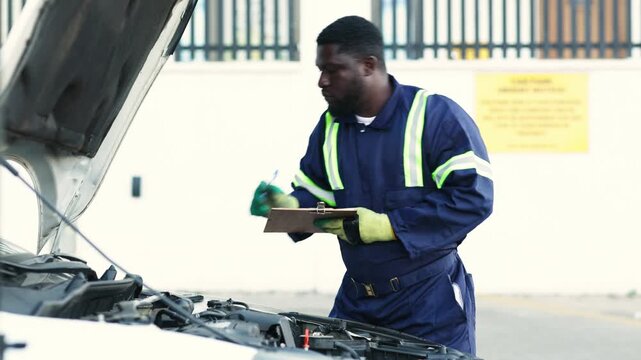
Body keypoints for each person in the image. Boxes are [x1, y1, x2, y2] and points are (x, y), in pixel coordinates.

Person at [250, 15, 493, 355]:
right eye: (320, 69)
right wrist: (289, 207)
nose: (322, 80)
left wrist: (389, 225)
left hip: (428, 306)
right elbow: (316, 195)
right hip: (356, 303)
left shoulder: (435, 117)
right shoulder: (331, 127)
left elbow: (473, 198)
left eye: (333, 70)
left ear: (368, 65)